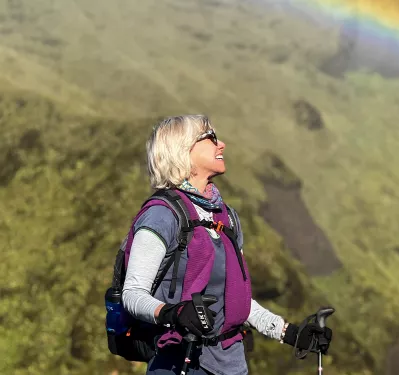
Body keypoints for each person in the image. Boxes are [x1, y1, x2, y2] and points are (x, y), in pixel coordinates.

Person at [122, 115, 333, 375]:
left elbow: (237, 301)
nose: (221, 144)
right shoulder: (161, 216)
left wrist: (289, 332)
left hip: (232, 365)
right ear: (182, 150)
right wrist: (172, 313)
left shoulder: (226, 216)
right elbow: (132, 293)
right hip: (178, 363)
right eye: (210, 138)